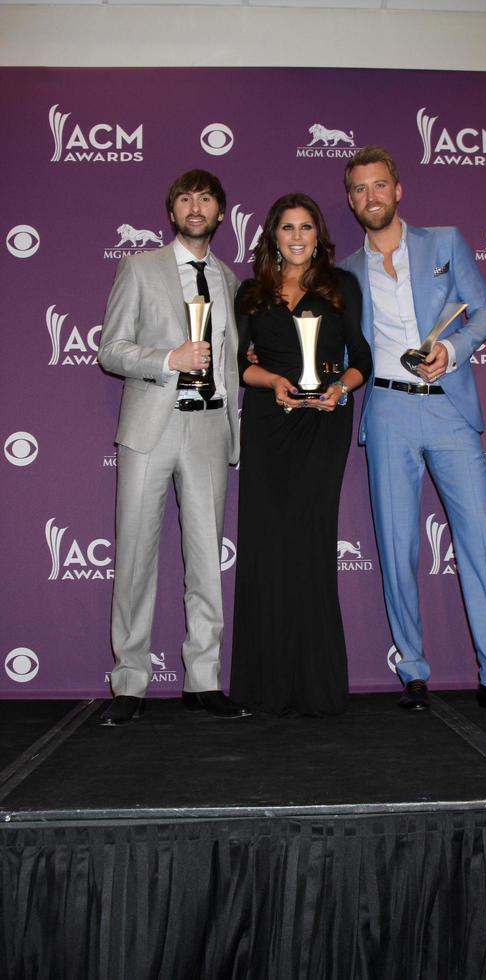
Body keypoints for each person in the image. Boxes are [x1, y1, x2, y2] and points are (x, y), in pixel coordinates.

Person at [340, 146, 486, 714]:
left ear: (398, 189)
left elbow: (485, 311)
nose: (372, 197)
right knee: (396, 546)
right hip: (386, 411)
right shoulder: (345, 273)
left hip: (450, 408)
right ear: (351, 200)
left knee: (480, 542)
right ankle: (412, 671)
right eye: (360, 189)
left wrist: (452, 350)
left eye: (380, 185)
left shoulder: (445, 242)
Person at [98, 169, 251, 726]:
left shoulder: (231, 281)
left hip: (210, 428)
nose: (195, 206)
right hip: (151, 427)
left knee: (207, 560)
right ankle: (130, 682)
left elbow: (236, 363)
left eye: (206, 198)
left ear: (220, 212)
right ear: (171, 212)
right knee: (135, 553)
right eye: (185, 198)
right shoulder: (139, 269)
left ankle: (203, 680)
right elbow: (110, 349)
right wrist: (169, 359)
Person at [230, 193, 372, 716]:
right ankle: (263, 686)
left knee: (309, 544)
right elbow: (237, 365)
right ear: (272, 236)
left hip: (324, 423)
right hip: (268, 424)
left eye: (306, 227)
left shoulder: (342, 287)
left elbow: (361, 358)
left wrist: (343, 390)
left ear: (318, 236)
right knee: (266, 546)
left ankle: (317, 686)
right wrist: (271, 380)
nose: (296, 236)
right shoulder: (251, 293)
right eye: (286, 228)